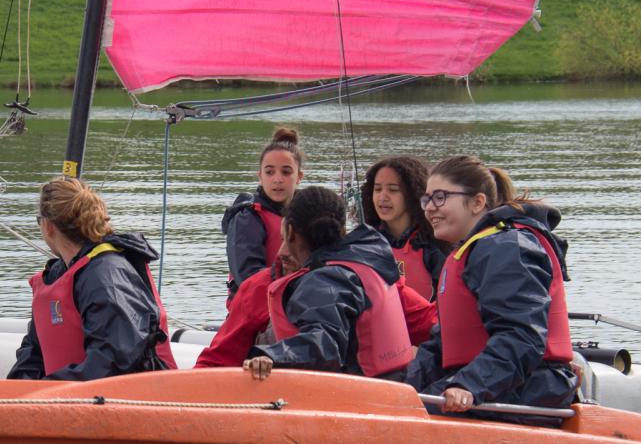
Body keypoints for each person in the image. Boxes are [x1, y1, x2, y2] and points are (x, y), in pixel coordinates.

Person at [405, 155, 575, 419]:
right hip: (495, 384)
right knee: (394, 405)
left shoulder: (505, 248)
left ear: (477, 202)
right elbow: (442, 345)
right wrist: (400, 388)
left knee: (411, 417)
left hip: (530, 388)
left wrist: (469, 385)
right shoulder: (472, 250)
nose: (429, 208)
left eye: (440, 197)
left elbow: (522, 336)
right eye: (426, 199)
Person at [8, 178, 177, 380]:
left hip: (124, 395)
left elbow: (114, 362)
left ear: (48, 226)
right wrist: (22, 390)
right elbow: (32, 355)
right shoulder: (57, 275)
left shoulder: (106, 275)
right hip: (67, 395)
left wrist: (49, 389)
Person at [242, 186, 413, 381]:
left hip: (359, 392)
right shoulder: (367, 263)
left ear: (290, 232)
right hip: (396, 384)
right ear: (342, 229)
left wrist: (272, 355)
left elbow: (326, 344)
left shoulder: (325, 280)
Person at [221, 126, 304, 302]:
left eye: (286, 172)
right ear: (260, 176)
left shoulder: (308, 216)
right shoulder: (247, 218)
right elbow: (248, 277)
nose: (277, 179)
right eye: (269, 172)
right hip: (258, 310)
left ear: (299, 176)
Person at [360, 155, 449, 301]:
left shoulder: (434, 246)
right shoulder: (364, 243)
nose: (382, 197)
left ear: (413, 194)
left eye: (393, 190)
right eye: (377, 189)